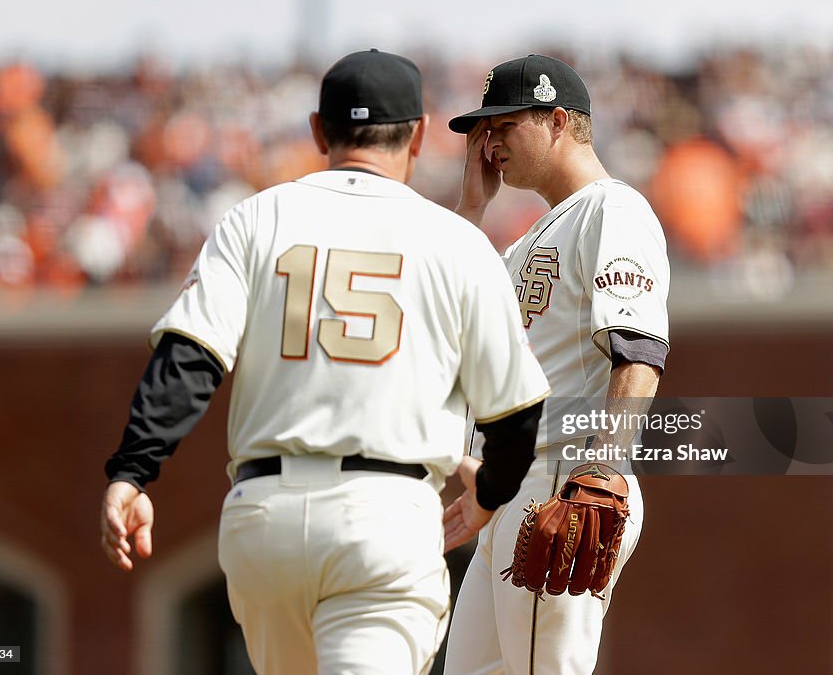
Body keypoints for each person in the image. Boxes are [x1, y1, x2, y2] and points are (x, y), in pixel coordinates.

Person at [99, 49, 551, 675]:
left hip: (266, 518)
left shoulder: (255, 216)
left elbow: (189, 357)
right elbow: (519, 415)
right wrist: (492, 491)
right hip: (384, 518)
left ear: (318, 130)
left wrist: (133, 472)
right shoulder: (455, 242)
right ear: (419, 134)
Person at [442, 54, 671, 674]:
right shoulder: (527, 239)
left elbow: (639, 353)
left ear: (557, 121)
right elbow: (446, 316)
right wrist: (470, 210)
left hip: (562, 481)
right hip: (513, 489)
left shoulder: (612, 209)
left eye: (503, 125)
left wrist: (601, 472)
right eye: (482, 131)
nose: (488, 143)